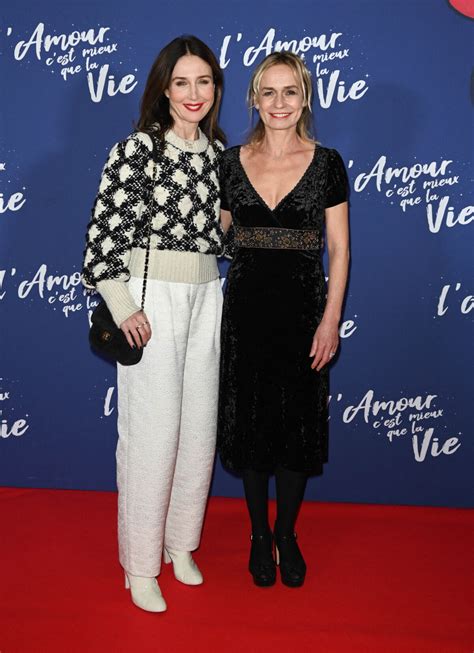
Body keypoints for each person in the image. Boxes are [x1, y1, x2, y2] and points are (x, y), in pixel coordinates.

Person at [82, 35, 226, 612]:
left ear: (216, 88)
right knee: (152, 435)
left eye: (204, 81)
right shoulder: (137, 150)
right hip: (152, 302)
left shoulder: (219, 155)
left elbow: (221, 236)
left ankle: (180, 545)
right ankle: (140, 565)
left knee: (198, 431)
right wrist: (124, 308)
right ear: (164, 89)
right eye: (182, 82)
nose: (194, 94)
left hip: (208, 294)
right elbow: (102, 244)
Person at [217, 52, 349, 588]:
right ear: (253, 98)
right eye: (267, 92)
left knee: (296, 427)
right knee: (250, 424)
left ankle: (287, 532)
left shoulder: (327, 163)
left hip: (302, 312)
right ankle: (257, 534)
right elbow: (217, 238)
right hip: (245, 310)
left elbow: (338, 249)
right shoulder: (228, 163)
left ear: (305, 98)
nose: (278, 103)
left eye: (289, 92)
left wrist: (331, 318)